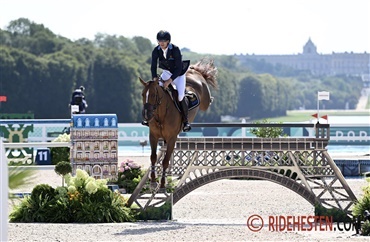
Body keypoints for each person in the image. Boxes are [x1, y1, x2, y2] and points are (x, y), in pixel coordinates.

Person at [142, 30, 191, 132]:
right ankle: (149, 118)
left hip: (179, 75)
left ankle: (186, 121)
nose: (162, 43)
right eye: (160, 41)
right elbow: (153, 66)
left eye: (164, 41)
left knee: (180, 96)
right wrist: (155, 78)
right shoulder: (156, 50)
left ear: (168, 41)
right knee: (154, 90)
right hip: (166, 72)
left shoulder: (175, 49)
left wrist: (169, 81)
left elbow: (178, 69)